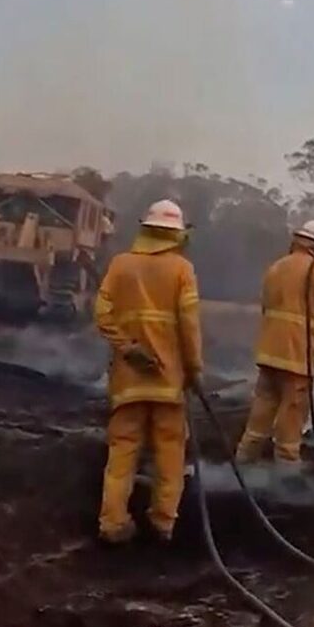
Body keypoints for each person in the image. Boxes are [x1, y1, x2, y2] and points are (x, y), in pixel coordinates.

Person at [94, 199, 203, 543]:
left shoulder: (121, 265)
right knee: (170, 453)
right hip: (169, 384)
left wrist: (127, 347)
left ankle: (112, 524)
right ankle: (162, 522)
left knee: (122, 453)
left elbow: (102, 313)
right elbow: (189, 326)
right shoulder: (182, 270)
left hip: (128, 382)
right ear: (177, 235)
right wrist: (194, 369)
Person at [235, 220, 314, 469]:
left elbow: (267, 306)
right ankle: (287, 466)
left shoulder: (276, 267)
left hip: (270, 352)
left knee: (263, 405)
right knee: (293, 410)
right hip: (298, 354)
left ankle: (245, 459)